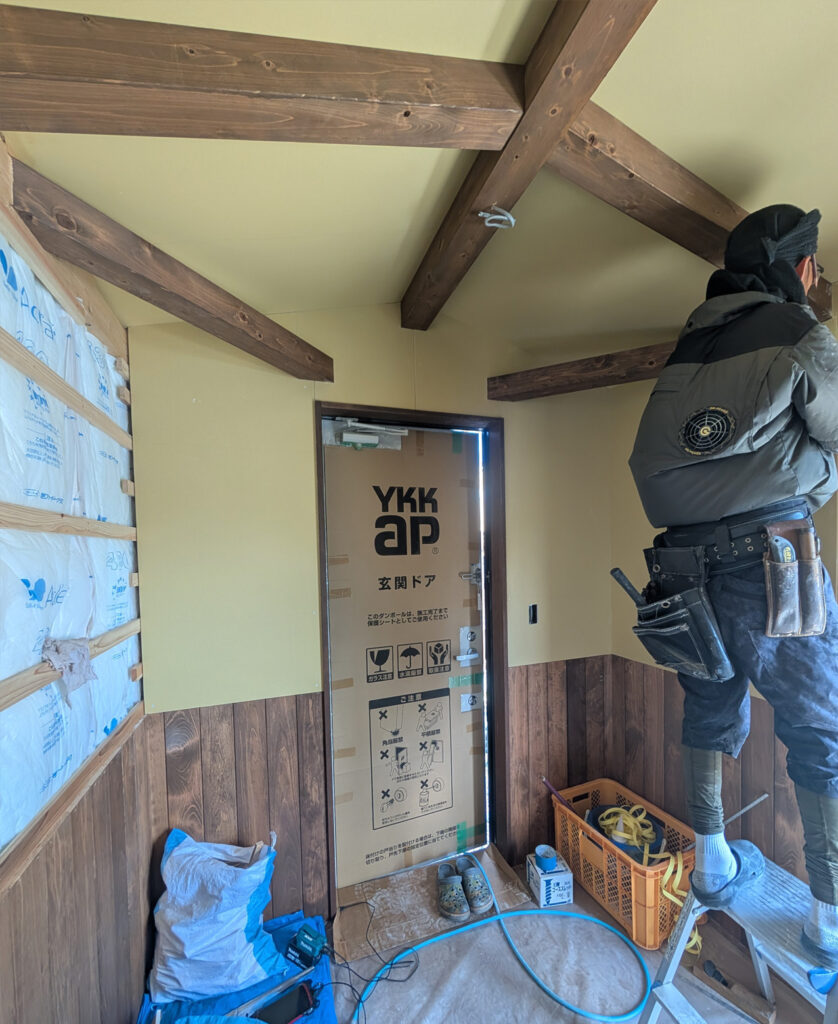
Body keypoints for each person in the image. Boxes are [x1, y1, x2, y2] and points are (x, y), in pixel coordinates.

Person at [629, 204, 838, 964]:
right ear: (802, 268)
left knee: (710, 703)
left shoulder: (687, 349)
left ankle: (712, 865)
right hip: (772, 560)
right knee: (821, 725)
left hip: (679, 567)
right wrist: (818, 473)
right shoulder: (800, 331)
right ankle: (829, 918)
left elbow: (654, 466)